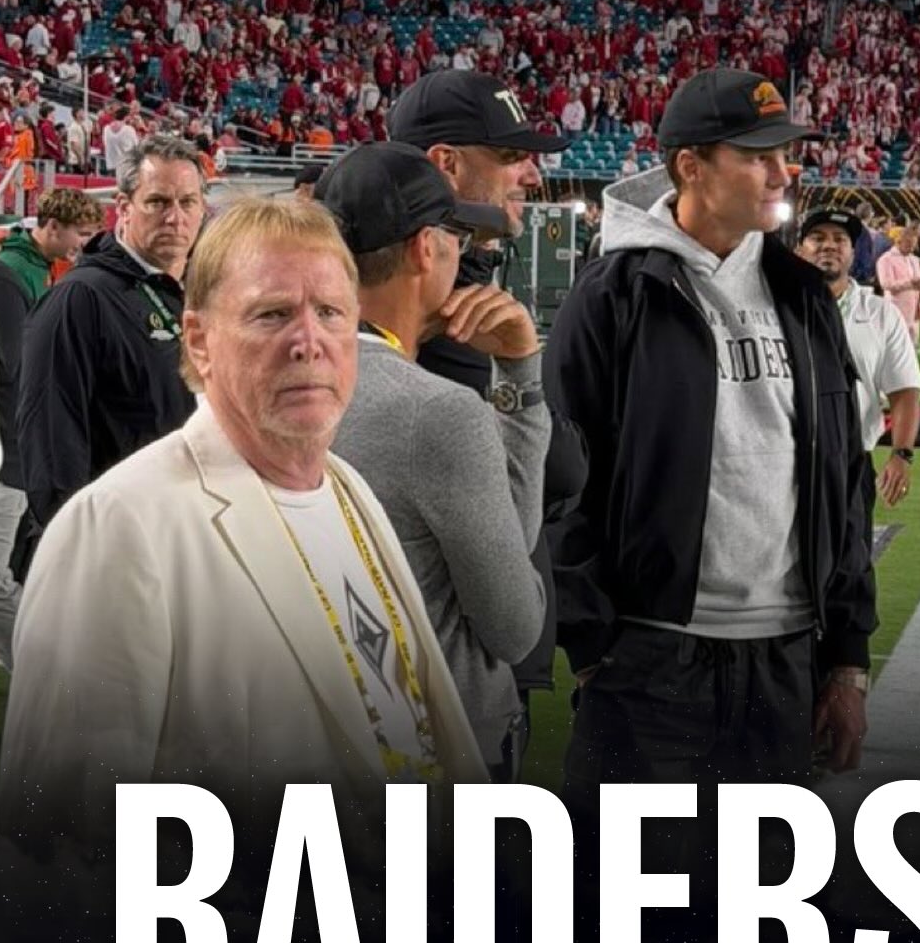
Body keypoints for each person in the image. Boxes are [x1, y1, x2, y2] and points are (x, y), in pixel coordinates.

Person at [0, 195, 486, 847]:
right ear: (199, 341)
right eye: (272, 314)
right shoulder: (118, 528)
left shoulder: (347, 490)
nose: (308, 341)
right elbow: (59, 857)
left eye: (332, 313)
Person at [544, 68, 876, 804]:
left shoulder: (802, 294)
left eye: (784, 154)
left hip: (789, 657)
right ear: (691, 166)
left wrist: (847, 661)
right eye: (757, 155)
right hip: (649, 658)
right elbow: (559, 483)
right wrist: (596, 645)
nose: (781, 172)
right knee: (625, 903)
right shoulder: (611, 295)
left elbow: (845, 480)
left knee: (767, 904)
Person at [323, 143, 550, 778]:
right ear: (427, 246)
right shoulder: (436, 414)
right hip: (437, 752)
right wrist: (519, 377)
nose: (465, 254)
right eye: (456, 236)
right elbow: (514, 626)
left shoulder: (271, 378)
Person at [386, 70, 587, 734]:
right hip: (453, 663)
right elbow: (554, 473)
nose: (528, 176)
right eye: (508, 158)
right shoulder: (443, 309)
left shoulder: (458, 287)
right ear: (445, 164)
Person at [17, 136, 204, 530]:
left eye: (187, 202)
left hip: (178, 536)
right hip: (112, 549)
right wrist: (83, 548)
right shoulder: (79, 299)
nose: (175, 217)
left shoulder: (194, 293)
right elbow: (52, 447)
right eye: (157, 202)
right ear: (123, 207)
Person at [0, 188, 105, 668]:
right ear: (53, 226)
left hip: (19, 448)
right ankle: (52, 672)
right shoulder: (14, 276)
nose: (83, 243)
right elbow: (13, 369)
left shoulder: (31, 271)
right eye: (80, 233)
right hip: (11, 450)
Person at [796, 207, 920, 511]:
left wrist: (901, 453)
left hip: (852, 462)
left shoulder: (880, 313)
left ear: (852, 253)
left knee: (851, 557)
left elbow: (904, 390)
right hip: (785, 463)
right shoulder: (774, 308)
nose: (829, 245)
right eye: (817, 238)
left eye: (840, 239)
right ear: (799, 250)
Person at [876, 220, 920, 343]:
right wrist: (910, 283)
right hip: (896, 310)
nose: (912, 248)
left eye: (914, 245)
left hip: (913, 311)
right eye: (909, 244)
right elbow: (885, 284)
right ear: (898, 242)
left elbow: (918, 283)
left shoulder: (914, 259)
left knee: (913, 347)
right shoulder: (885, 259)